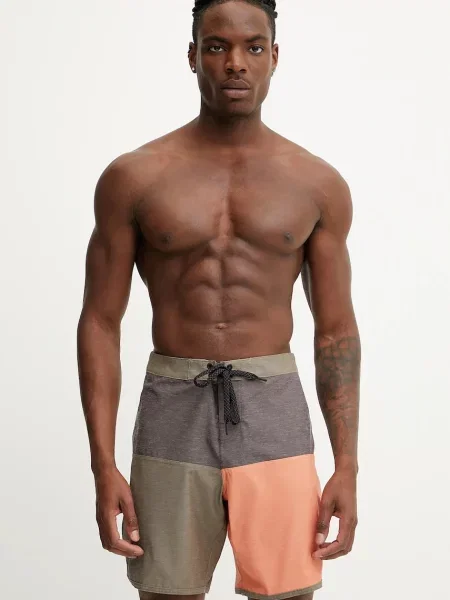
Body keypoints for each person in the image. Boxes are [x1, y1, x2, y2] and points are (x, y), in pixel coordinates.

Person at [77, 1, 361, 599]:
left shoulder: (316, 183)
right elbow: (100, 322)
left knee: (285, 593)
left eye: (253, 47)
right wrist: (103, 464)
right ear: (192, 56)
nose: (236, 63)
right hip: (173, 406)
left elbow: (335, 331)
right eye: (216, 47)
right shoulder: (134, 177)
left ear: (274, 57)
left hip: (273, 407)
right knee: (167, 593)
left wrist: (347, 466)